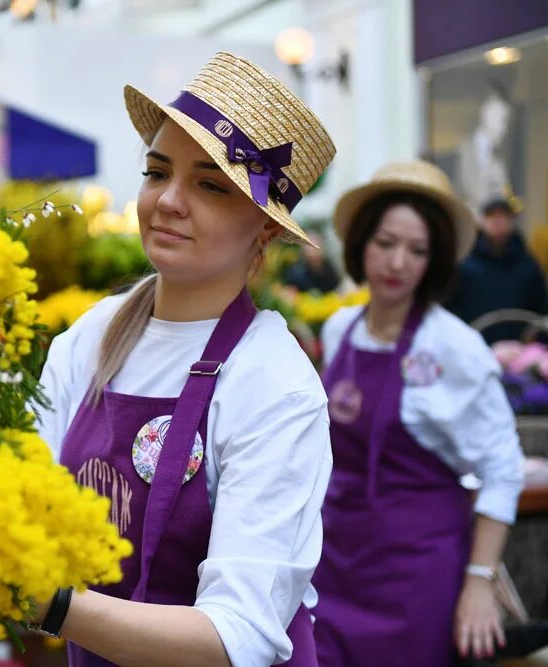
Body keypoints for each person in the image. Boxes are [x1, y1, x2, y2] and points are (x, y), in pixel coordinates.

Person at [32, 52, 336, 667]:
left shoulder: (274, 384)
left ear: (266, 229)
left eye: (210, 184)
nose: (168, 200)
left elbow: (236, 638)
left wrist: (49, 604)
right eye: (155, 171)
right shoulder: (90, 338)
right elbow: (24, 497)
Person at [314, 160, 524, 666]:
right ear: (362, 243)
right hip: (334, 566)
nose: (398, 262)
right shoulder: (341, 329)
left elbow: (503, 468)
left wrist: (478, 583)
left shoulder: (455, 346)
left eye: (418, 250)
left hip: (418, 576)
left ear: (436, 262)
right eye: (386, 243)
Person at [446, 198, 548, 343]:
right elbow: (450, 309)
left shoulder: (528, 265)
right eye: (492, 216)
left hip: (520, 353)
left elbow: (542, 312)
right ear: (482, 221)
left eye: (504, 216)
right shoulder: (465, 265)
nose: (498, 222)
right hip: (473, 345)